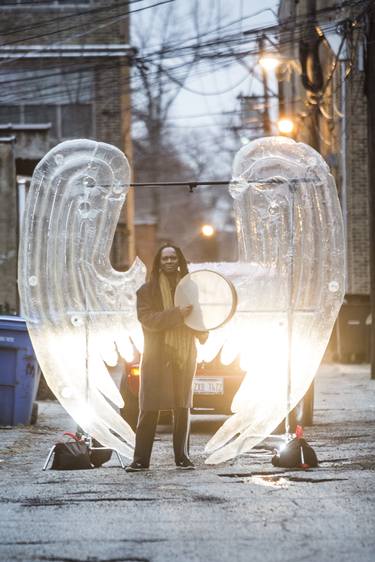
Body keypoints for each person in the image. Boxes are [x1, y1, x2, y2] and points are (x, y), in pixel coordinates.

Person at [126, 244, 207, 472]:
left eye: (173, 258)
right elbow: (148, 320)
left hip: (184, 354)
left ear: (179, 261)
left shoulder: (191, 289)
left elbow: (197, 315)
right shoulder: (146, 291)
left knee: (182, 408)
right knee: (149, 407)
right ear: (158, 263)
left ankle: (183, 458)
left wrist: (203, 331)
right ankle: (141, 460)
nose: (170, 262)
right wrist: (177, 314)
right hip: (157, 355)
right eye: (165, 259)